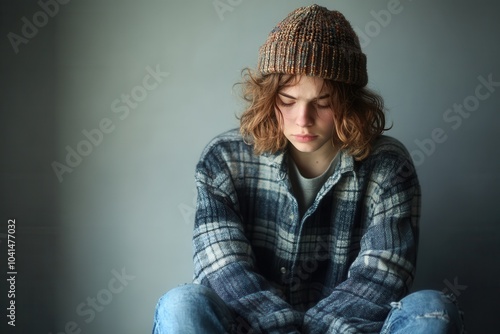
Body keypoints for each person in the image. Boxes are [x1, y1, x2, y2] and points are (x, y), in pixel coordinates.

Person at [152, 4, 464, 334]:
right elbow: (223, 269)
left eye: (323, 102)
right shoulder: (224, 159)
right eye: (288, 99)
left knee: (432, 308)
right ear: (269, 98)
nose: (303, 119)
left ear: (349, 103)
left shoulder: (389, 166)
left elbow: (383, 273)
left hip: (350, 330)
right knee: (181, 304)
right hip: (251, 329)